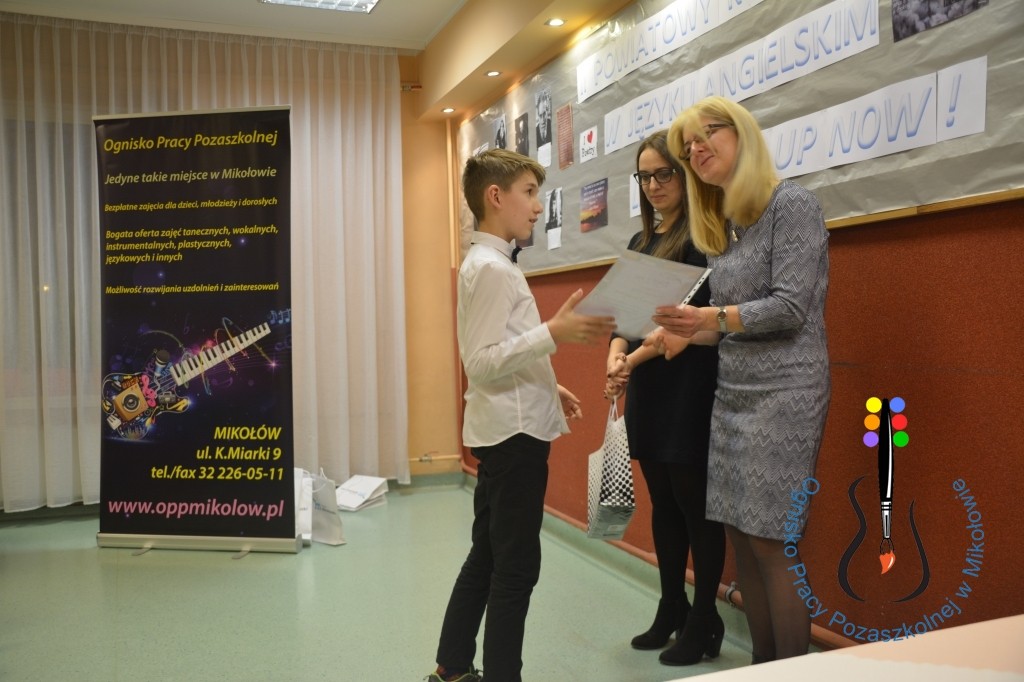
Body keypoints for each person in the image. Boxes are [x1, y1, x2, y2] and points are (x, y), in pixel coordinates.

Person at [649, 96, 831, 663]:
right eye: (688, 148)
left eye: (706, 134)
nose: (696, 150)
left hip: (785, 392)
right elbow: (728, 326)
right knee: (741, 538)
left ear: (741, 132)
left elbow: (790, 308)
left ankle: (790, 670)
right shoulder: (724, 225)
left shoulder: (792, 204)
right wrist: (688, 332)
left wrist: (710, 319)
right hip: (733, 393)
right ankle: (761, 666)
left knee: (771, 540)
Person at [428, 148, 617, 682]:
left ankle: (452, 668)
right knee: (514, 571)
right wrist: (553, 332)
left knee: (487, 557)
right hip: (513, 438)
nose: (538, 206)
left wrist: (548, 385)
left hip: (504, 429)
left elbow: (500, 347)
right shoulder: (492, 269)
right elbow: (481, 362)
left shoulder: (490, 263)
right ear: (496, 196)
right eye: (529, 193)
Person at [603, 130, 725, 666]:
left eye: (664, 173)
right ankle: (672, 605)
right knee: (663, 502)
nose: (653, 185)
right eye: (645, 176)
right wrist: (615, 356)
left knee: (694, 503)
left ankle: (705, 619)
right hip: (650, 389)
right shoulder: (640, 243)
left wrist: (629, 362)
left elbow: (680, 328)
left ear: (686, 173)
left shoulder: (706, 238)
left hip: (689, 384)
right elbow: (625, 320)